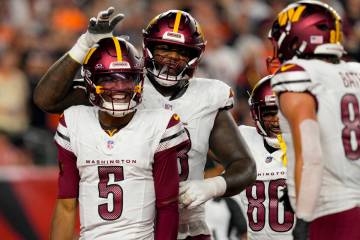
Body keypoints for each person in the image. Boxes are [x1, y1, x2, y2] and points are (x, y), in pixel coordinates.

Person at [34, 8, 257, 240]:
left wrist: (210, 187)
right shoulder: (124, 84)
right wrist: (85, 45)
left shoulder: (208, 96)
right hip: (131, 228)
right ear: (147, 47)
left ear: (196, 55)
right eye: (165, 48)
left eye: (182, 51)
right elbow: (47, 99)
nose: (172, 57)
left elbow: (245, 166)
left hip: (186, 226)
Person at [50, 36, 190, 239]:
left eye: (128, 78)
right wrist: (81, 44)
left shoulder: (160, 123)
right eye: (108, 78)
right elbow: (66, 205)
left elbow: (167, 207)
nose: (120, 87)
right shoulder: (74, 121)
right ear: (90, 80)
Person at [268, 1, 360, 239]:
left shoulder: (299, 75)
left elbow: (311, 155)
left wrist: (304, 217)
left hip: (332, 208)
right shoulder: (356, 72)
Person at [237, 75, 295, 240]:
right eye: (269, 113)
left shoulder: (312, 144)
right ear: (257, 114)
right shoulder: (243, 138)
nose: (277, 120)